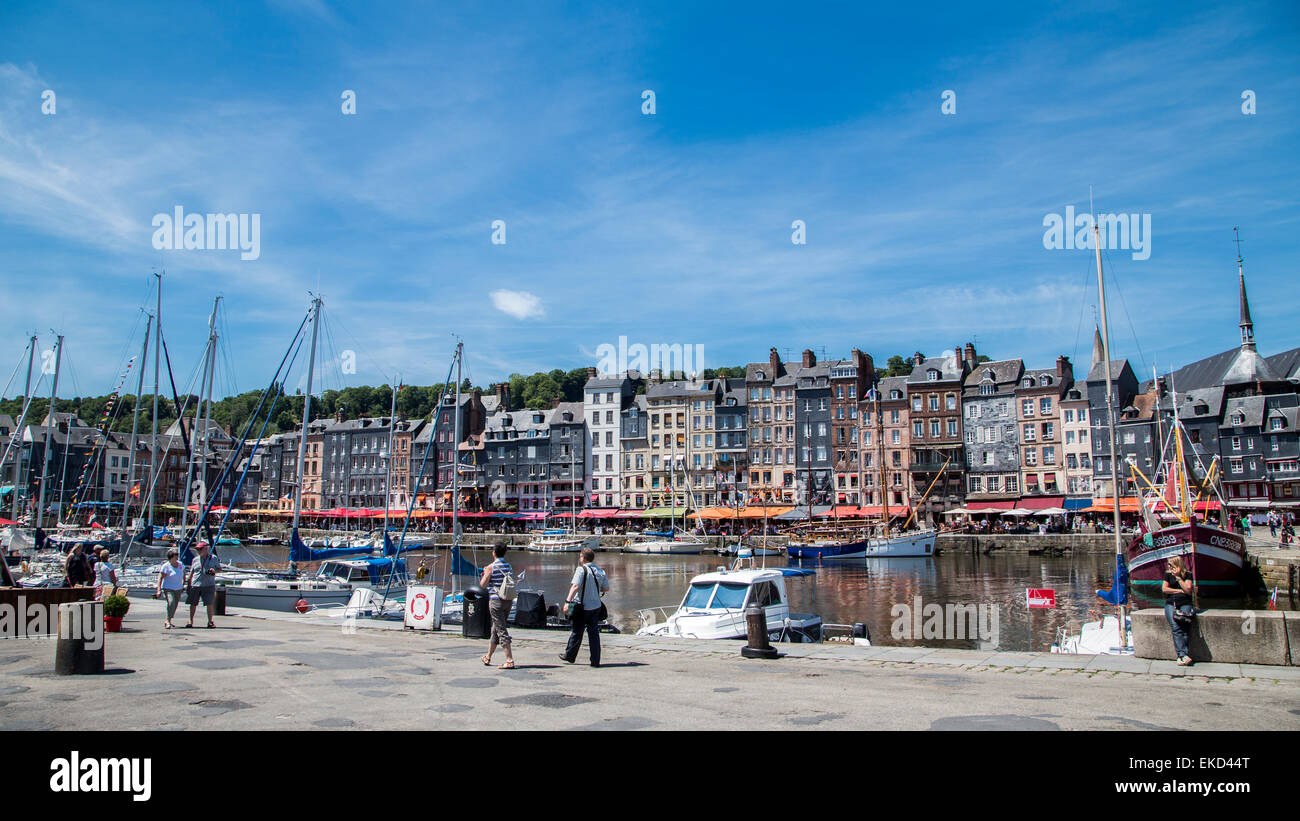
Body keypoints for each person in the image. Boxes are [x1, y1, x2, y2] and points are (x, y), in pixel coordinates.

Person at [560, 547, 609, 667]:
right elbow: (606, 588)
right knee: (594, 633)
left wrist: (567, 601)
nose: (579, 558)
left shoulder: (581, 570)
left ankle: (570, 655)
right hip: (596, 606)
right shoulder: (600, 571)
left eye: (580, 556)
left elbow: (575, 586)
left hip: (580, 606)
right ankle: (595, 660)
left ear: (583, 558)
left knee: (577, 631)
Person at [479, 543, 515, 669]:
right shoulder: (509, 566)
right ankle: (488, 656)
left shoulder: (491, 567)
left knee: (501, 630)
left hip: (496, 601)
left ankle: (509, 660)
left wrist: (484, 573)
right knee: (496, 628)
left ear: (494, 552)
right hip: (508, 600)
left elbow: (483, 585)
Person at [1162, 555, 1195, 667]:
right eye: (1169, 565)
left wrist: (1179, 578)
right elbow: (1165, 589)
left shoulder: (1188, 574)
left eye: (1171, 565)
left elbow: (1188, 590)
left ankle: (1182, 656)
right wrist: (1178, 591)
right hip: (1171, 603)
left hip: (1185, 603)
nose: (1170, 568)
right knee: (1175, 626)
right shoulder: (1167, 575)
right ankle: (1182, 655)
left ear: (1178, 565)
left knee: (1184, 626)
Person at [185, 541, 220, 628]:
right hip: (195, 584)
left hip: (208, 584)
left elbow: (219, 569)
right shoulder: (195, 559)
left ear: (206, 549)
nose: (198, 551)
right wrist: (188, 583)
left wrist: (213, 571)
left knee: (209, 603)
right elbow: (192, 572)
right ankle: (190, 621)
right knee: (193, 604)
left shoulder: (213, 558)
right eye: (197, 549)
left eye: (200, 549)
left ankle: (210, 621)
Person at [153, 549, 185, 628]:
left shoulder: (180, 564)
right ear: (171, 557)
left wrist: (183, 583)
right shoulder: (166, 566)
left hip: (178, 588)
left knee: (175, 605)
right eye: (175, 555)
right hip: (168, 588)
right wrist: (158, 590)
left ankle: (169, 620)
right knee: (171, 602)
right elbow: (160, 578)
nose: (177, 557)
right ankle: (167, 620)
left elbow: (184, 574)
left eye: (177, 555)